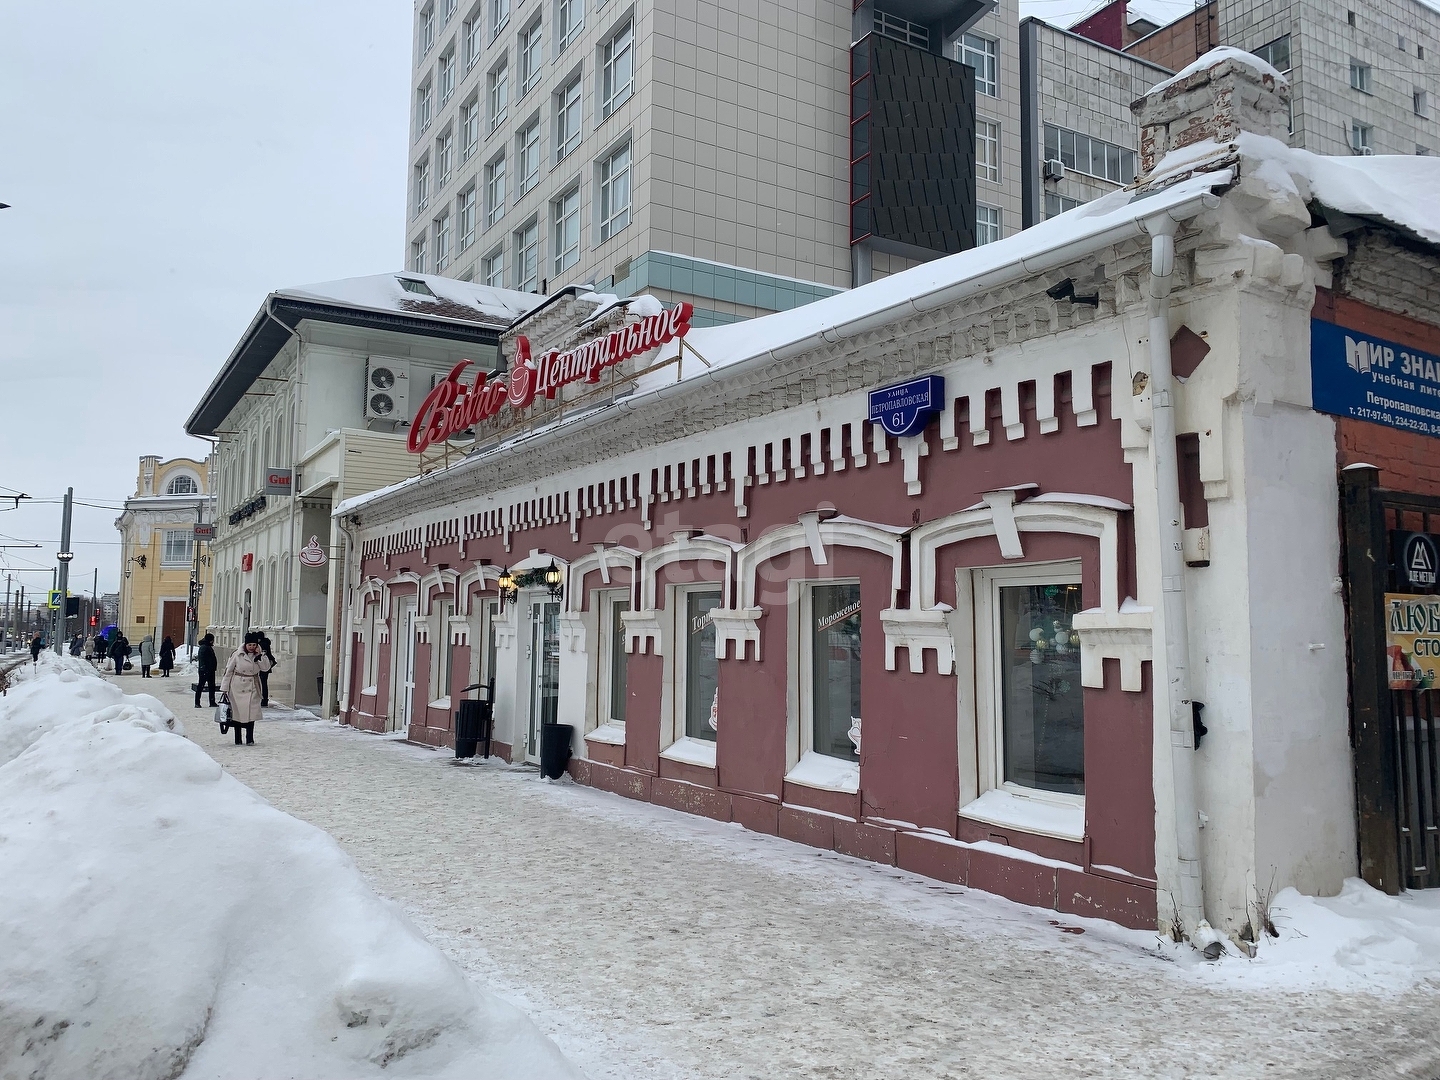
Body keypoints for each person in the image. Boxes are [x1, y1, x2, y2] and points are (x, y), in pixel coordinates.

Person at [221, 633, 273, 745]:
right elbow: (229, 671)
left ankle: (250, 738)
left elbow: (266, 668)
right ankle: (238, 738)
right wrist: (225, 688)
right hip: (237, 686)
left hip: (253, 686)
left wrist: (261, 657)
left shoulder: (259, 655)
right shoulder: (237, 654)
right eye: (250, 644)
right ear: (246, 644)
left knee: (251, 713)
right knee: (237, 714)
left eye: (254, 644)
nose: (252, 647)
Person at [194, 633, 219, 708]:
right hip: (205, 671)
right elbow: (203, 659)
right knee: (201, 686)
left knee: (211, 687)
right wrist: (205, 668)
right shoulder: (204, 647)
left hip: (209, 670)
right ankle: (197, 703)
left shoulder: (207, 646)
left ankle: (212, 702)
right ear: (211, 640)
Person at [258, 633, 276, 707]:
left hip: (263, 666)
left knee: (262, 683)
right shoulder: (266, 643)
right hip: (267, 666)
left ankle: (264, 699)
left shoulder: (262, 644)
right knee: (264, 683)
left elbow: (261, 655)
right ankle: (264, 699)